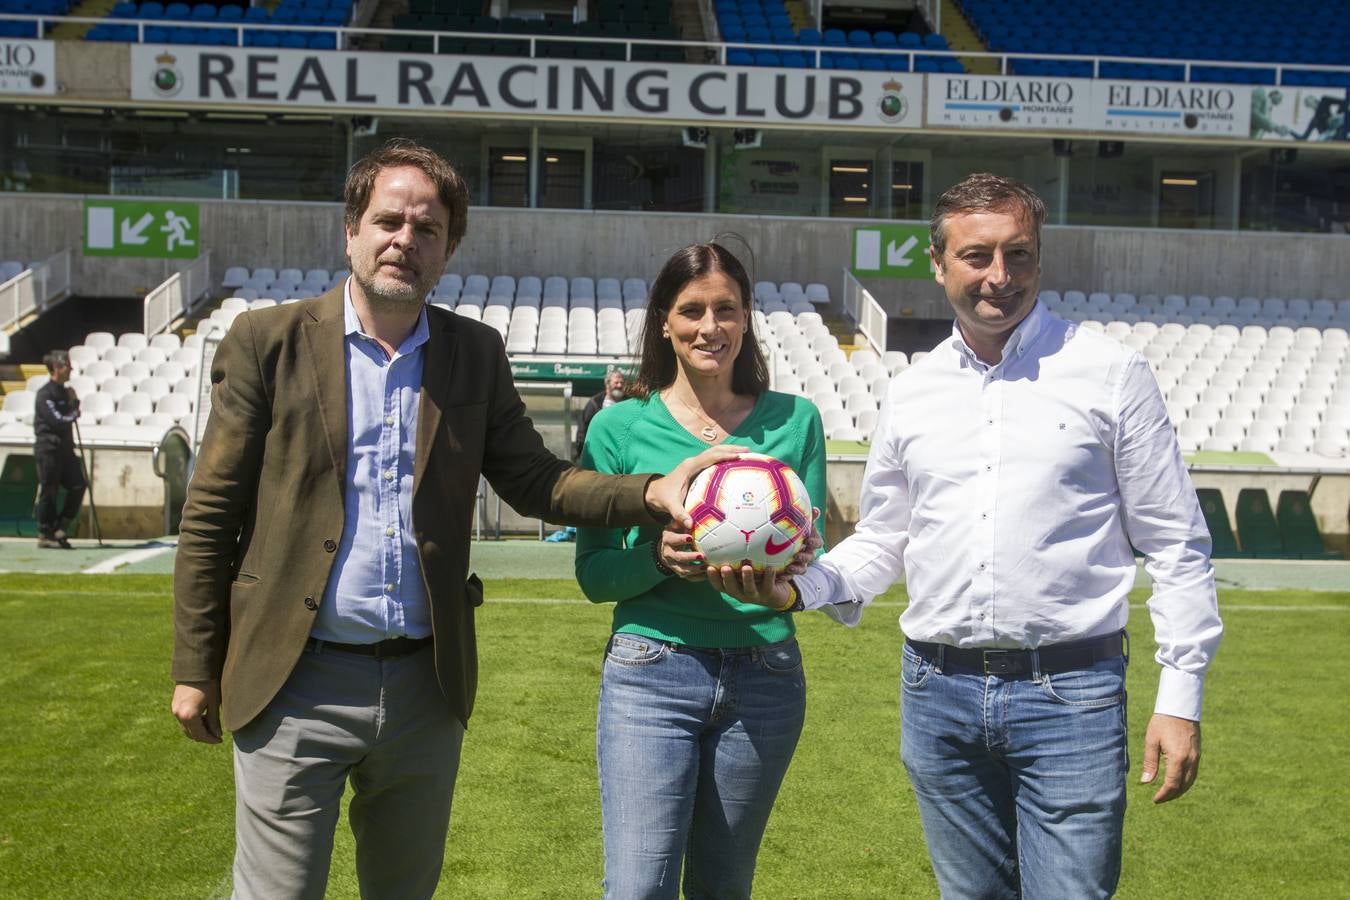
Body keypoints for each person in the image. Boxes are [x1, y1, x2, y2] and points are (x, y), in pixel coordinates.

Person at [169, 139, 736, 900]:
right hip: (291, 676)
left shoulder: (474, 352)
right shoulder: (266, 343)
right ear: (351, 230)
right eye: (389, 221)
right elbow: (210, 515)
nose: (406, 240)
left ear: (449, 248)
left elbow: (538, 481)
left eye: (427, 229)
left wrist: (650, 492)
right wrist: (194, 667)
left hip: (423, 687)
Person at [713, 174, 1224, 898]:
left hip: (1071, 694)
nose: (999, 276)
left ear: (1040, 261)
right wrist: (801, 586)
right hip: (937, 694)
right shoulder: (916, 389)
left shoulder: (1110, 374)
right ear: (938, 264)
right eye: (977, 256)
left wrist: (1181, 696)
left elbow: (1176, 545)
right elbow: (885, 537)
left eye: (1018, 255)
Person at [575, 240, 836, 899]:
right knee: (638, 887)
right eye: (692, 310)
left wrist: (789, 580)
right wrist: (658, 560)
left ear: (747, 318)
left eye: (726, 309)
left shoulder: (796, 422)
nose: (709, 327)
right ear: (664, 319)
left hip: (767, 678)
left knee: (723, 887)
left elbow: (817, 554)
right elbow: (594, 575)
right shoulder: (619, 428)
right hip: (650, 672)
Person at [32, 349, 85, 549]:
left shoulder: (65, 392)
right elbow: (58, 420)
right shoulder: (44, 394)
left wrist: (75, 401)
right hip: (48, 449)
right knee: (49, 490)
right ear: (57, 368)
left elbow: (70, 413)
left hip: (65, 449)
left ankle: (61, 525)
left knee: (78, 484)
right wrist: (75, 412)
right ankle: (45, 533)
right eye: (67, 367)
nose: (70, 370)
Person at [572, 366, 627, 461]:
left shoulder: (629, 403)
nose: (619, 385)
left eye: (622, 383)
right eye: (616, 382)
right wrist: (580, 451)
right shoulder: (594, 403)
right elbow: (583, 428)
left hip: (623, 454)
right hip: (599, 454)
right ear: (607, 384)